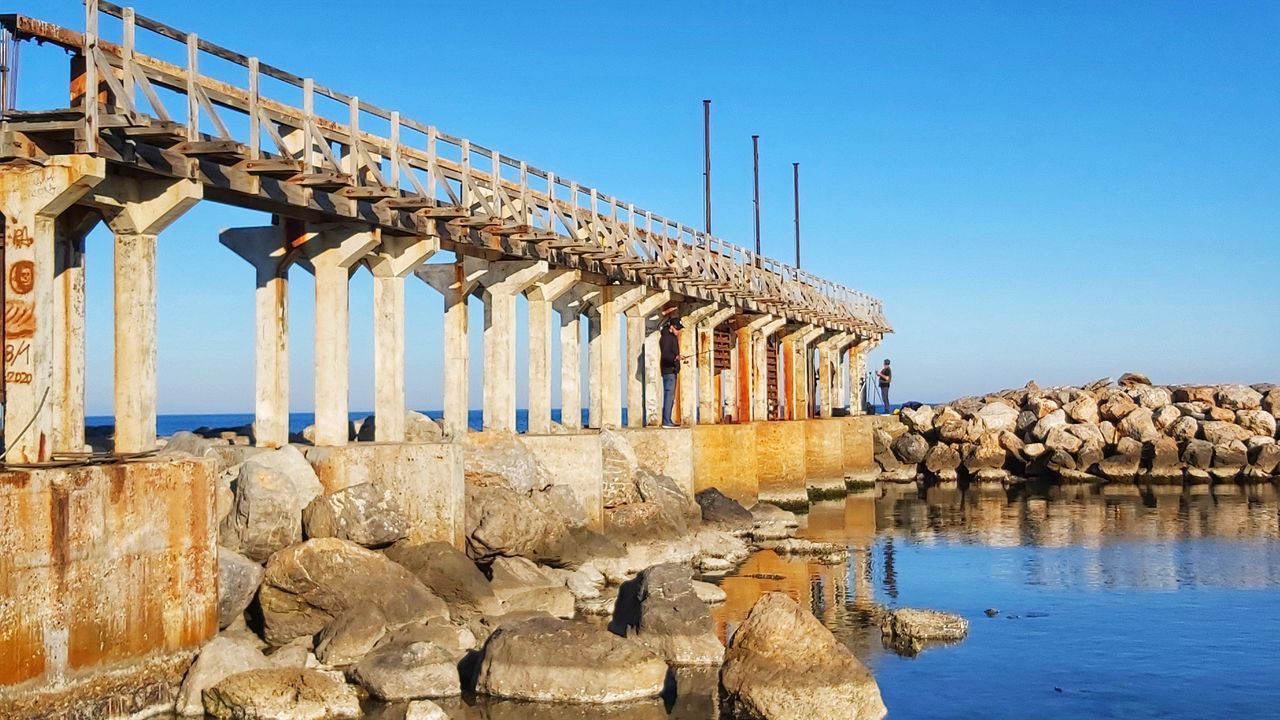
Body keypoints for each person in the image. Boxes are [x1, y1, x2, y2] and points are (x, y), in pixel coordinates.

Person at [660, 319, 683, 427]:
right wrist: (676, 357)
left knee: (671, 396)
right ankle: (666, 421)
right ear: (671, 327)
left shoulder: (672, 337)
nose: (678, 331)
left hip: (672, 370)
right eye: (677, 328)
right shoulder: (666, 338)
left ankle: (668, 420)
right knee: (669, 395)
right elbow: (665, 356)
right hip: (668, 371)